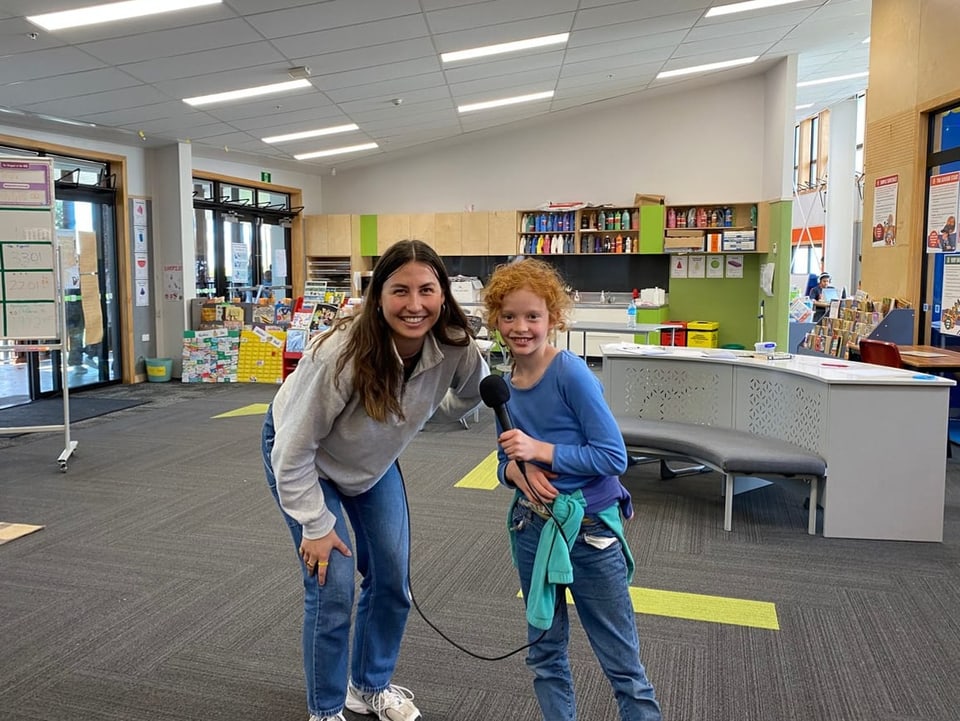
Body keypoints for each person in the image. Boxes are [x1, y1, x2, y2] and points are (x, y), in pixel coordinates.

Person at [262, 239, 487, 721]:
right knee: (333, 583)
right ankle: (324, 709)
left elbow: (472, 394)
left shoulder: (454, 345)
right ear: (377, 296)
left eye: (427, 289)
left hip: (371, 465)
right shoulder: (339, 353)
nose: (414, 304)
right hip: (306, 459)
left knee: (391, 579)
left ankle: (368, 686)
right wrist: (316, 526)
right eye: (399, 290)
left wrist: (415, 417)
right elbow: (292, 448)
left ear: (443, 294)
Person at [481, 258, 662, 721]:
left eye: (533, 316)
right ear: (495, 321)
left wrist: (540, 451)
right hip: (532, 526)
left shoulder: (570, 374)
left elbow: (612, 457)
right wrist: (517, 474)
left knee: (621, 662)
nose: (520, 328)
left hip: (588, 532)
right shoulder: (504, 386)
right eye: (509, 317)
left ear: (553, 319)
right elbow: (506, 460)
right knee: (544, 653)